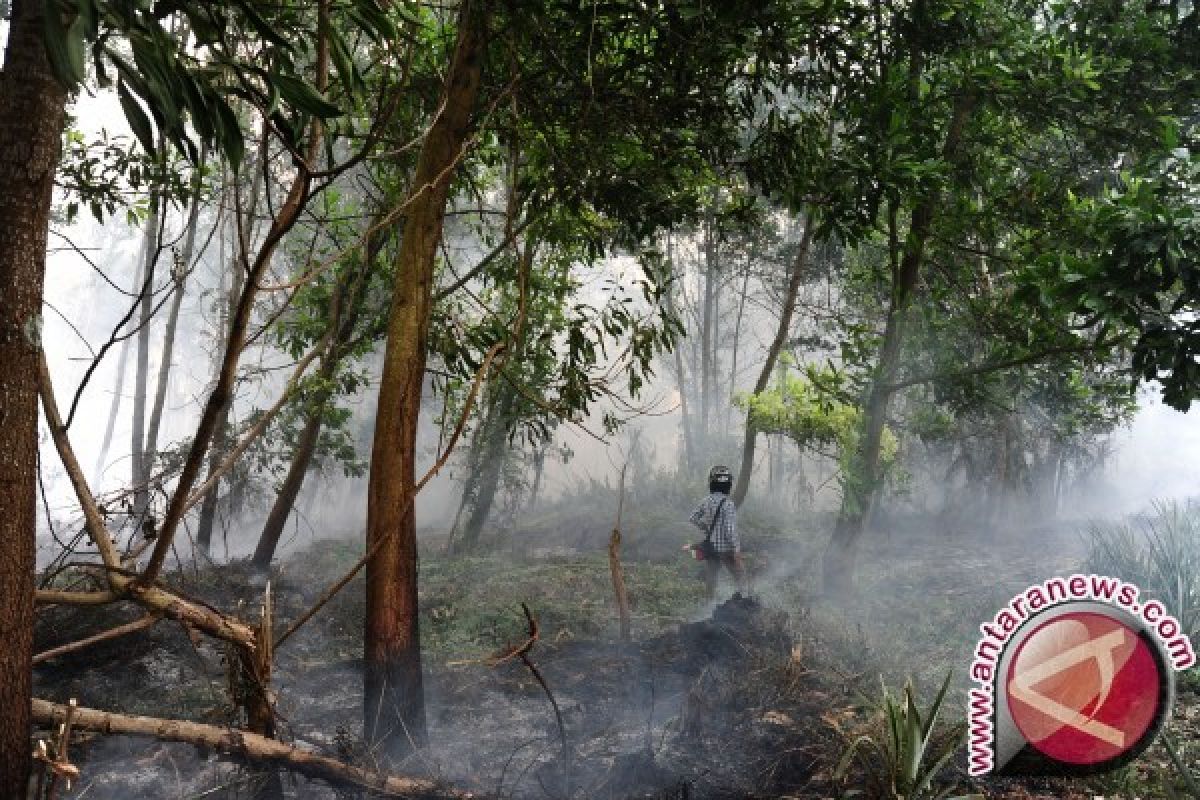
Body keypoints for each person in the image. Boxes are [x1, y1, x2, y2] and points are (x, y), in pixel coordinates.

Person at [689, 465, 747, 602]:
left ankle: (709, 605)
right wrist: (736, 550)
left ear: (712, 483)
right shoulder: (728, 504)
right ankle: (745, 601)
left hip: (712, 548)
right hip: (726, 549)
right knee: (740, 575)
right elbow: (730, 529)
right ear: (728, 484)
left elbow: (692, 518)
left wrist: (706, 528)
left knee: (712, 579)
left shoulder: (706, 501)